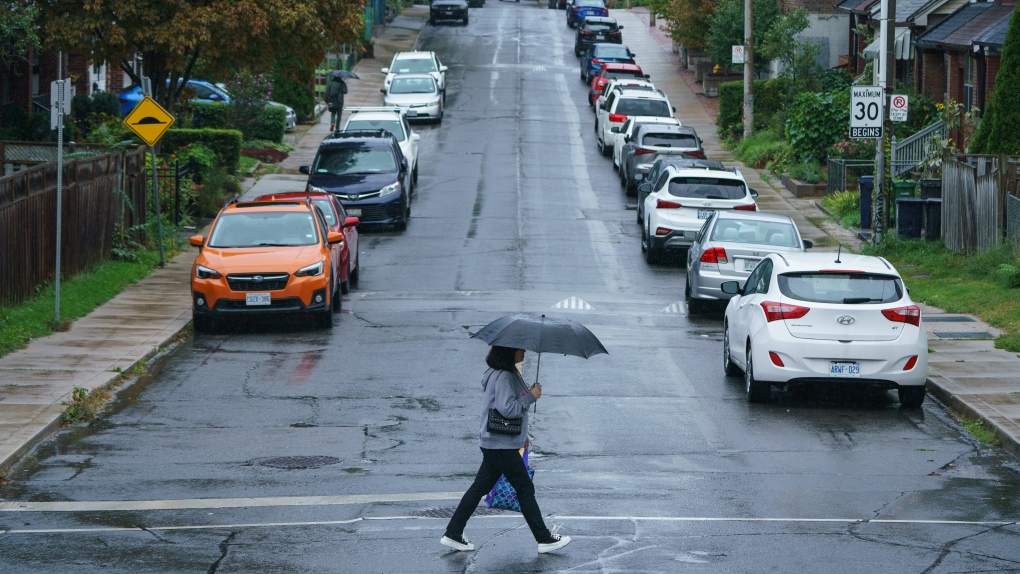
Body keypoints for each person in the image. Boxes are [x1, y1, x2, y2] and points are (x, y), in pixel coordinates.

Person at [441, 346, 571, 554]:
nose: (524, 352)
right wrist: (530, 397)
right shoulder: (504, 375)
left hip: (496, 442)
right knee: (524, 489)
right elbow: (506, 408)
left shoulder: (499, 372)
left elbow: (508, 405)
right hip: (501, 444)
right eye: (520, 349)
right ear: (509, 351)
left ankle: (453, 532)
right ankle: (544, 538)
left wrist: (523, 436)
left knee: (478, 489)